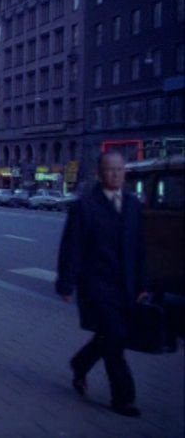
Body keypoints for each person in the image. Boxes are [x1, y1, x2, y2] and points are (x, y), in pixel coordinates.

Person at [56, 151, 149, 418]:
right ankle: (123, 398)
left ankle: (79, 364)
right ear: (100, 173)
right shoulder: (85, 205)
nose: (115, 174)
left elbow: (139, 248)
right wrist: (66, 283)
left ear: (125, 173)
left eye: (119, 170)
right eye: (110, 170)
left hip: (127, 286)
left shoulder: (132, 204)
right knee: (115, 339)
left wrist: (143, 284)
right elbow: (71, 247)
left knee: (110, 336)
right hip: (97, 286)